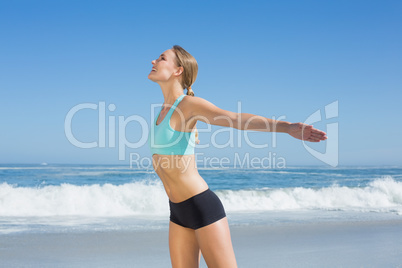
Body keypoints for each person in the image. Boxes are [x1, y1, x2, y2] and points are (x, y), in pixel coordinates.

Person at [148, 45, 327, 268]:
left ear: (178, 70)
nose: (154, 61)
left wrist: (286, 127)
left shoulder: (188, 105)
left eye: (161, 58)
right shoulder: (162, 111)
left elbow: (234, 119)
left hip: (201, 206)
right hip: (177, 212)